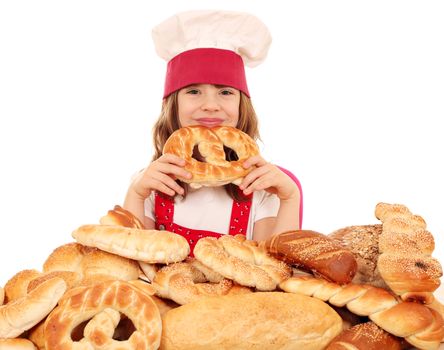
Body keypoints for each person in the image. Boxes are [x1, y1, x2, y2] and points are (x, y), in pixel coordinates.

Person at [123, 10, 302, 253]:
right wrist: (136, 194)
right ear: (170, 105)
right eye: (193, 91)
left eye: (225, 92)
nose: (210, 104)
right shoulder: (151, 185)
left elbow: (274, 270)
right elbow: (132, 264)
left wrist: (290, 198)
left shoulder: (262, 189)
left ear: (242, 105)